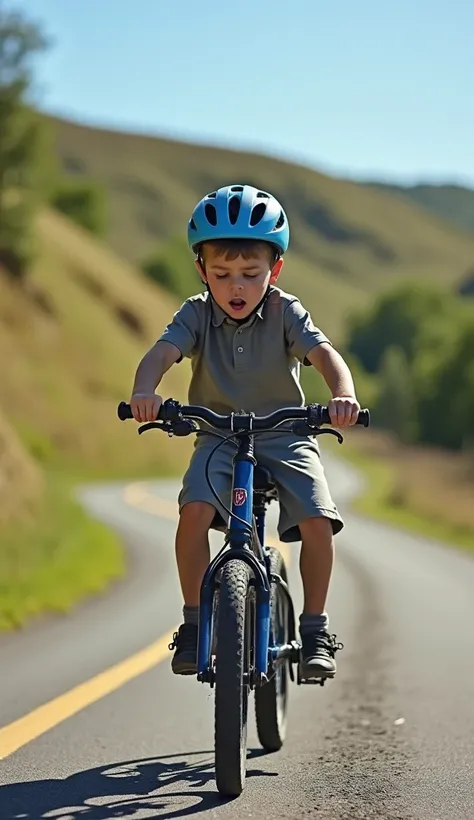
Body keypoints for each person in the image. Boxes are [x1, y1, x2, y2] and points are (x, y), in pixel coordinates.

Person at [129, 183, 360, 680]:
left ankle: (316, 628)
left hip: (286, 434)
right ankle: (193, 624)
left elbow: (325, 356)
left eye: (250, 275)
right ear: (201, 270)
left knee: (318, 520)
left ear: (274, 271)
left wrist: (342, 394)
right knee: (192, 513)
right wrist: (144, 390)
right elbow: (161, 354)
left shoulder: (285, 311)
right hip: (217, 435)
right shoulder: (195, 313)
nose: (236, 287)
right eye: (222, 274)